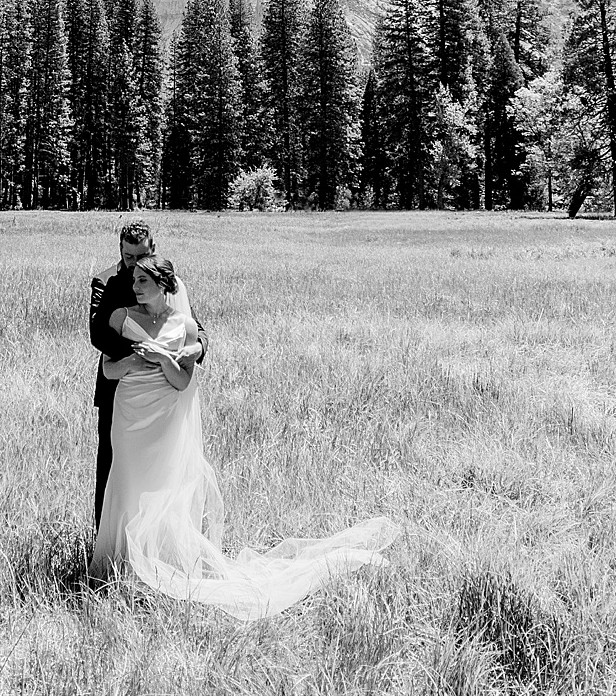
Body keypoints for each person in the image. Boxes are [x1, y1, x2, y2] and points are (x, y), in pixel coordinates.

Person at [87, 252, 400, 621]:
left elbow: (183, 381)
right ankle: (116, 567)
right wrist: (135, 362)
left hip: (163, 415)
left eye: (143, 280)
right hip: (129, 412)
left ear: (163, 285)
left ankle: (159, 564)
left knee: (160, 484)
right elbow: (108, 367)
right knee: (126, 482)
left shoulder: (185, 327)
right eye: (135, 279)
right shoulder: (121, 317)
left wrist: (163, 359)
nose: (135, 287)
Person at [90, 221, 198, 525]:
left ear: (152, 249)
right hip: (119, 388)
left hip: (163, 393)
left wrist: (198, 348)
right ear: (120, 252)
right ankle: (109, 539)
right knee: (113, 467)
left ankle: (156, 535)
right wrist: (142, 354)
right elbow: (98, 335)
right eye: (128, 257)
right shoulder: (105, 282)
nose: (135, 265)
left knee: (160, 466)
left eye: (141, 257)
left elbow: (193, 325)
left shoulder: (166, 280)